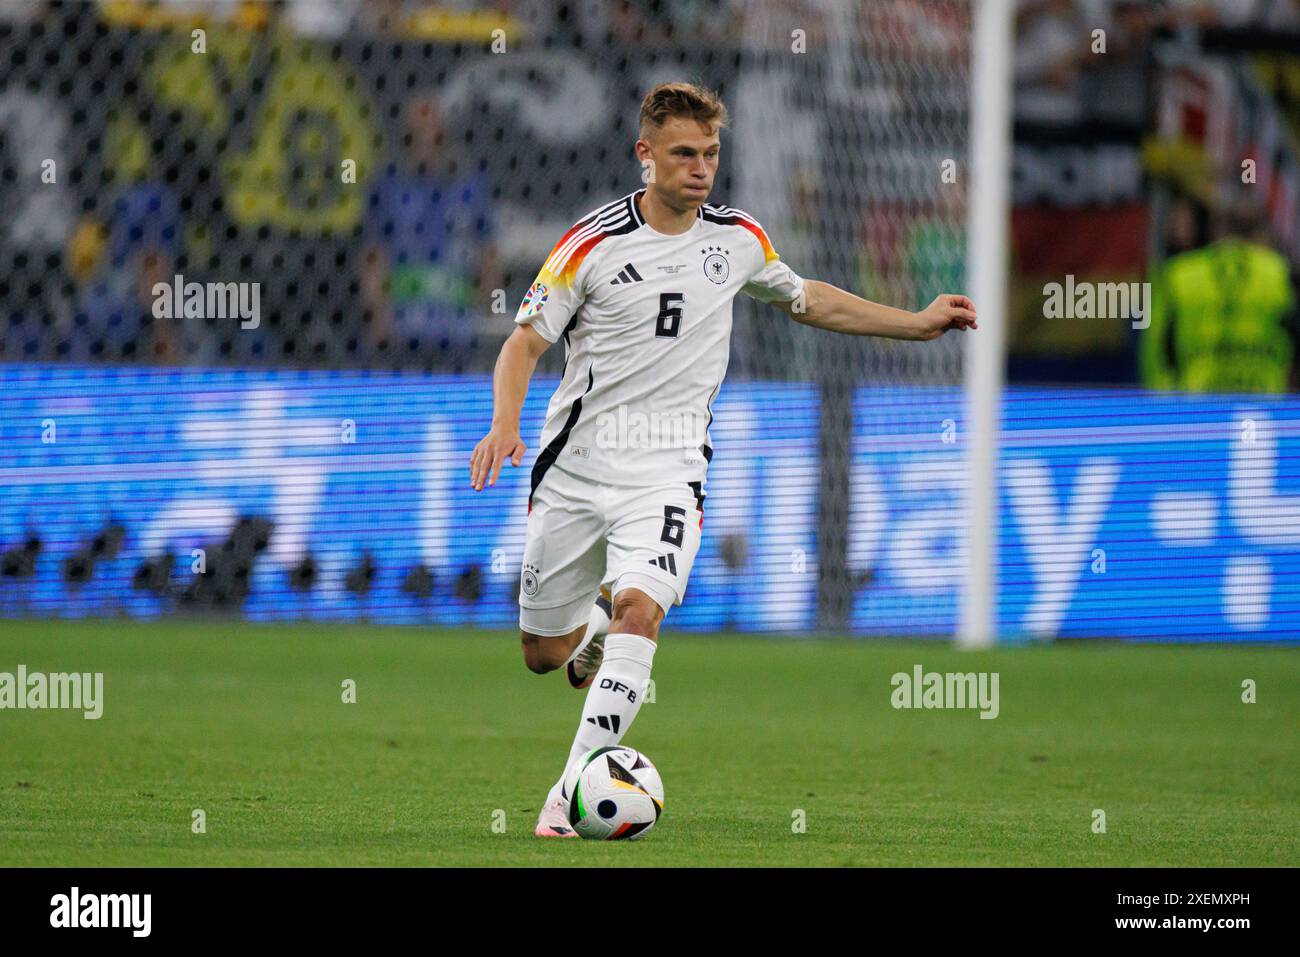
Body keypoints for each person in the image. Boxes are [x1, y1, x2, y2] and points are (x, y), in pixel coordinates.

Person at [468, 82, 977, 837]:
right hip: (575, 468)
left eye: (710, 154)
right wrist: (504, 421)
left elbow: (808, 298)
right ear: (646, 155)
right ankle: (592, 633)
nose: (700, 168)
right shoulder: (593, 244)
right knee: (543, 653)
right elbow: (524, 343)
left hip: (669, 472)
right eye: (683, 154)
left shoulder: (737, 238)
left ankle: (569, 788)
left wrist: (915, 322)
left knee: (644, 606)